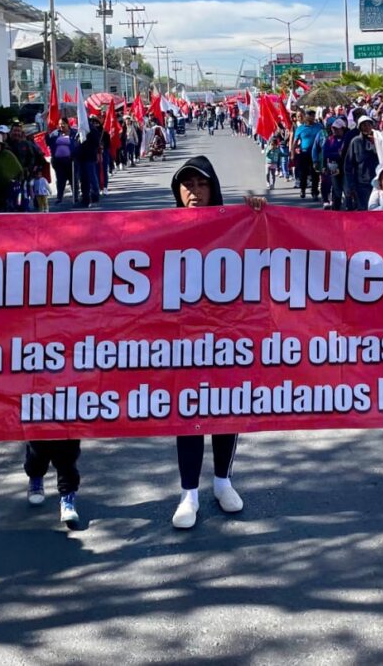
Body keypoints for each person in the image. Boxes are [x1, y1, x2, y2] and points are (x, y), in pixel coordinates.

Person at [169, 156, 245, 529]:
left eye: (201, 185)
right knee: (188, 412)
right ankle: (189, 493)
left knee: (227, 409)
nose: (194, 192)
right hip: (182, 338)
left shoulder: (235, 224)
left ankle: (222, 481)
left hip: (227, 334)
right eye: (187, 185)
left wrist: (257, 213)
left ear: (213, 188)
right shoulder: (159, 228)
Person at [343, 114, 380, 210]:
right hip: (361, 183)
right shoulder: (355, 142)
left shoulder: (380, 140)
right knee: (364, 210)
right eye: (363, 125)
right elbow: (348, 165)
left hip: (378, 182)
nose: (366, 127)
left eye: (368, 124)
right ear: (359, 127)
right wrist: (350, 185)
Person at [293, 110, 324, 200]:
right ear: (305, 116)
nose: (312, 117)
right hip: (304, 153)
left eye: (313, 116)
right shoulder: (300, 128)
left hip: (316, 154)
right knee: (303, 173)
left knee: (315, 173)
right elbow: (295, 142)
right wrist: (292, 153)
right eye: (310, 115)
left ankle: (314, 192)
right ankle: (302, 189)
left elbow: (324, 137)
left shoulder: (319, 127)